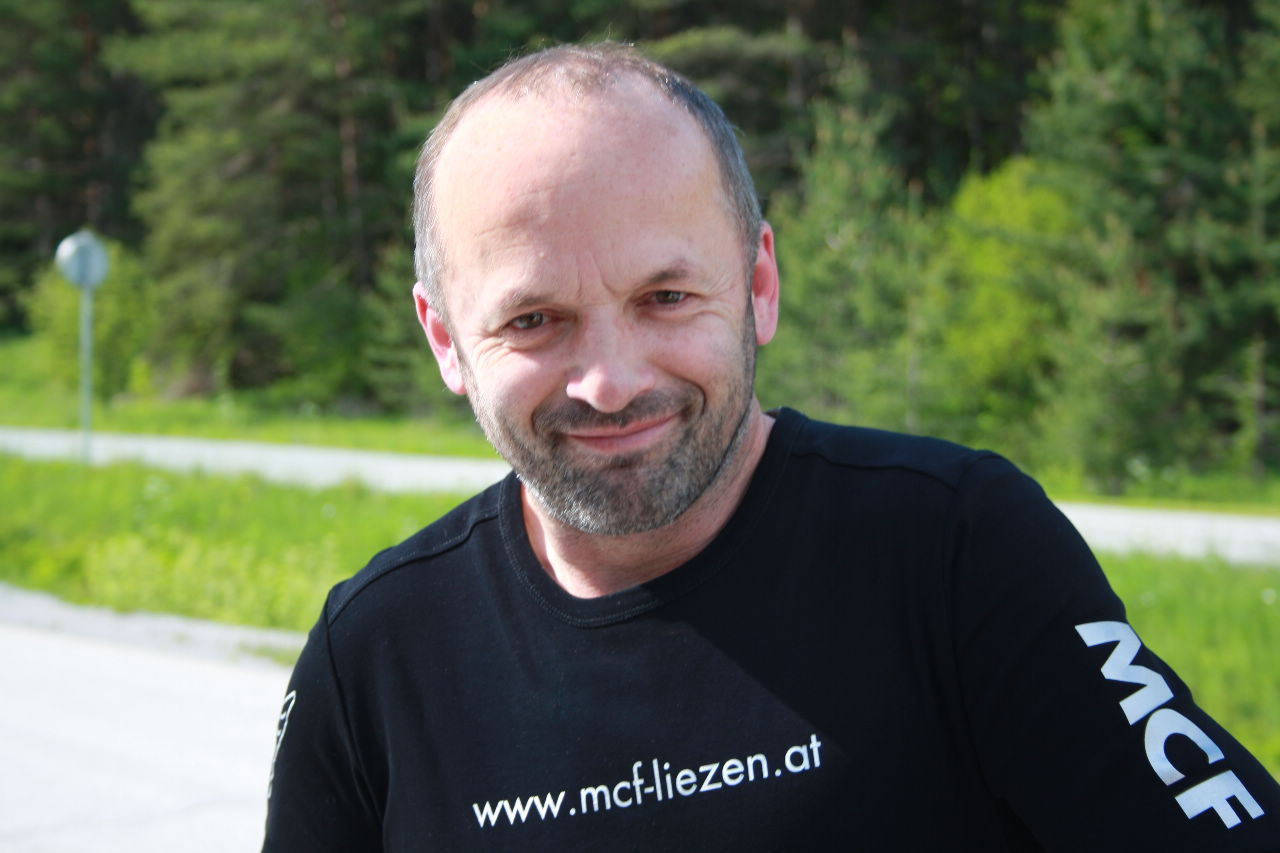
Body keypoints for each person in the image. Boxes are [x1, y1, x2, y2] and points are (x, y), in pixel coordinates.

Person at [262, 43, 1280, 851]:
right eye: (534, 320)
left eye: (665, 296)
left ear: (758, 285)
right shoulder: (374, 655)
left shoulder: (955, 550)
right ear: (445, 338)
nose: (609, 381)